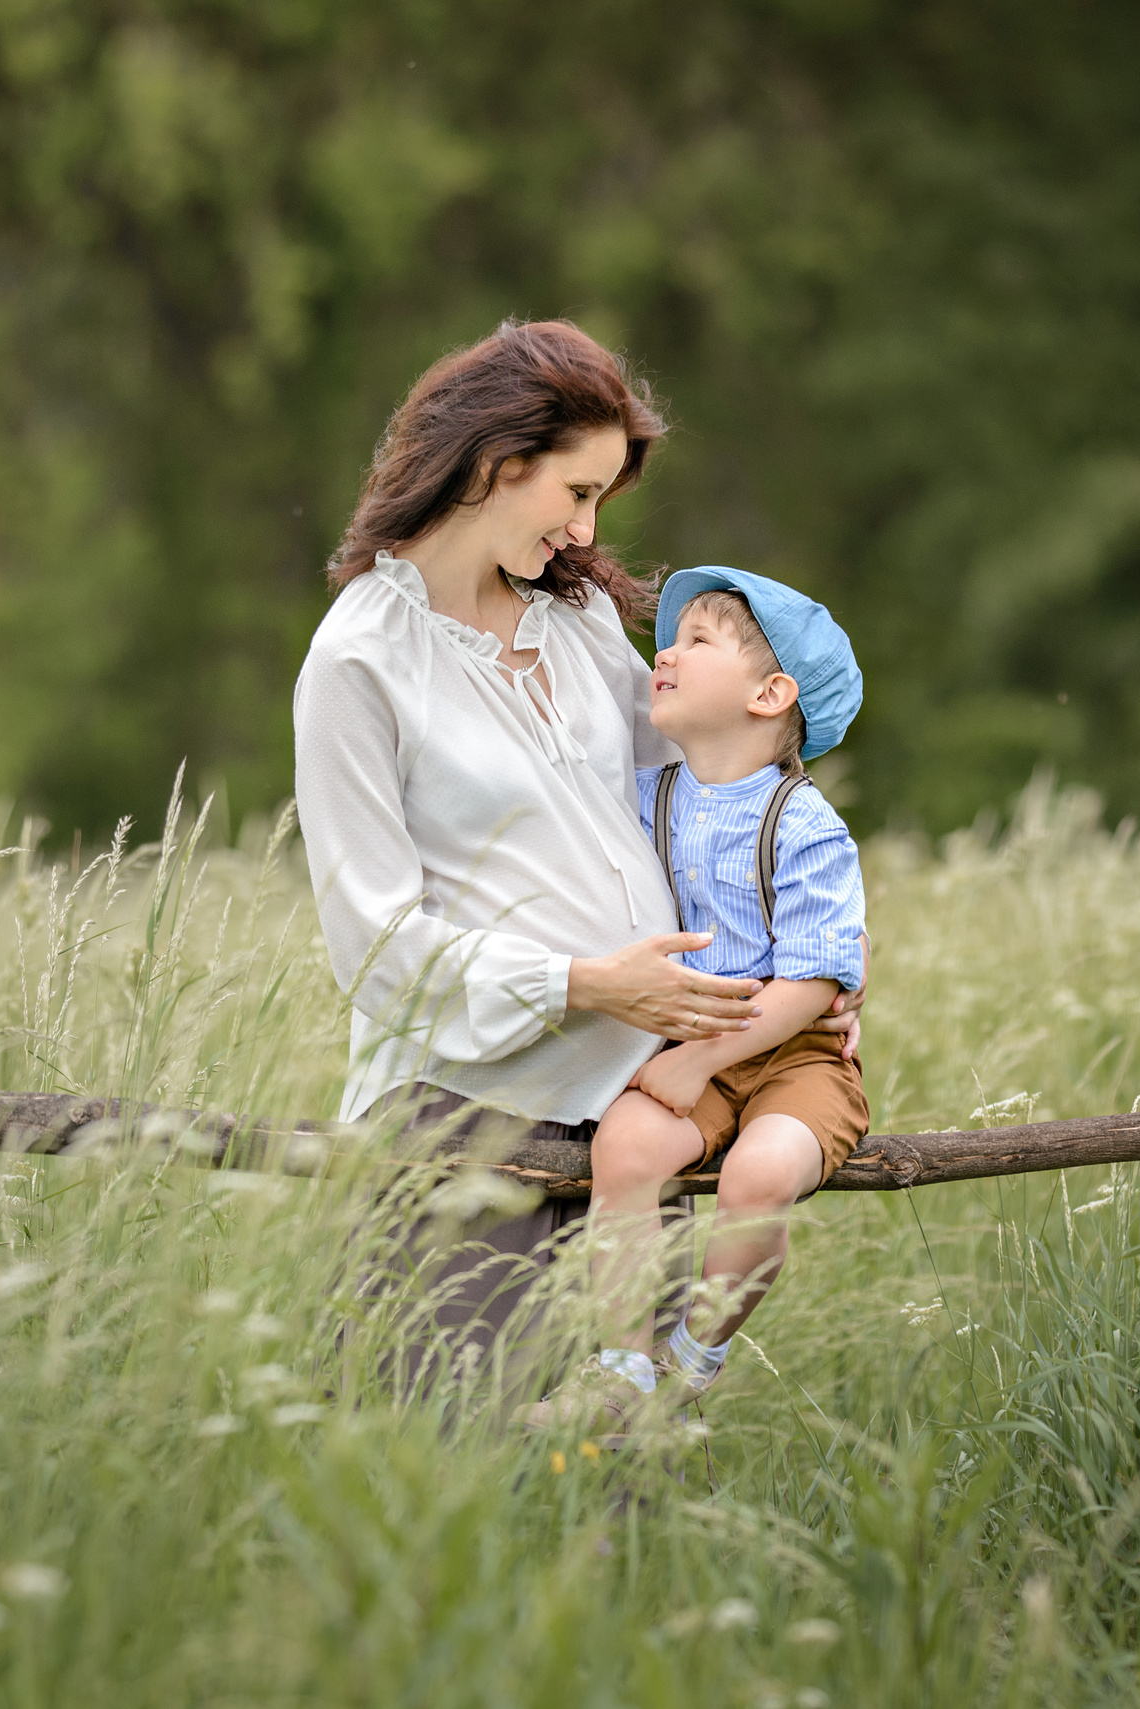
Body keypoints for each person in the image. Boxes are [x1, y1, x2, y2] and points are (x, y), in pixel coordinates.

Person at [292, 320, 861, 1396]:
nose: (588, 527)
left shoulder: (582, 618)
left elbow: (704, 805)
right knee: (458, 1450)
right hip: (467, 1109)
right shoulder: (360, 656)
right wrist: (584, 981)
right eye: (577, 491)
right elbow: (370, 943)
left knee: (613, 1469)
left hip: (638, 1108)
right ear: (497, 464)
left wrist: (808, 974)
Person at [519, 568, 867, 1433]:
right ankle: (623, 1363)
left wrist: (702, 1058)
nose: (663, 652)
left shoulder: (802, 820)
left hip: (794, 1056)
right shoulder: (649, 798)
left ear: (770, 692)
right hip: (693, 1051)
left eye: (697, 640)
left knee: (761, 1171)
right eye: (668, 639)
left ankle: (693, 1357)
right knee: (628, 1148)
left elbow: (816, 980)